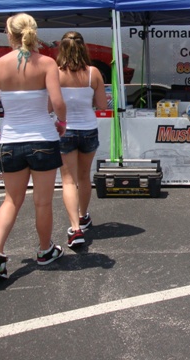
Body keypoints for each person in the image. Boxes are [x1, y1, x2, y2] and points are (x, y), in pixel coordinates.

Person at [0, 13, 67, 280]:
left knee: (11, 200)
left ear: (9, 34)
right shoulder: (47, 63)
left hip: (11, 141)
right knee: (42, 202)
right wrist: (62, 122)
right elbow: (58, 102)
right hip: (43, 139)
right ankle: (45, 250)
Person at [55, 31, 107, 247]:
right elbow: (102, 105)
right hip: (88, 128)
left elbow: (49, 105)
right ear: (83, 47)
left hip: (64, 130)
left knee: (68, 180)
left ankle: (75, 228)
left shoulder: (55, 73)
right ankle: (83, 215)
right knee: (84, 177)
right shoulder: (93, 73)